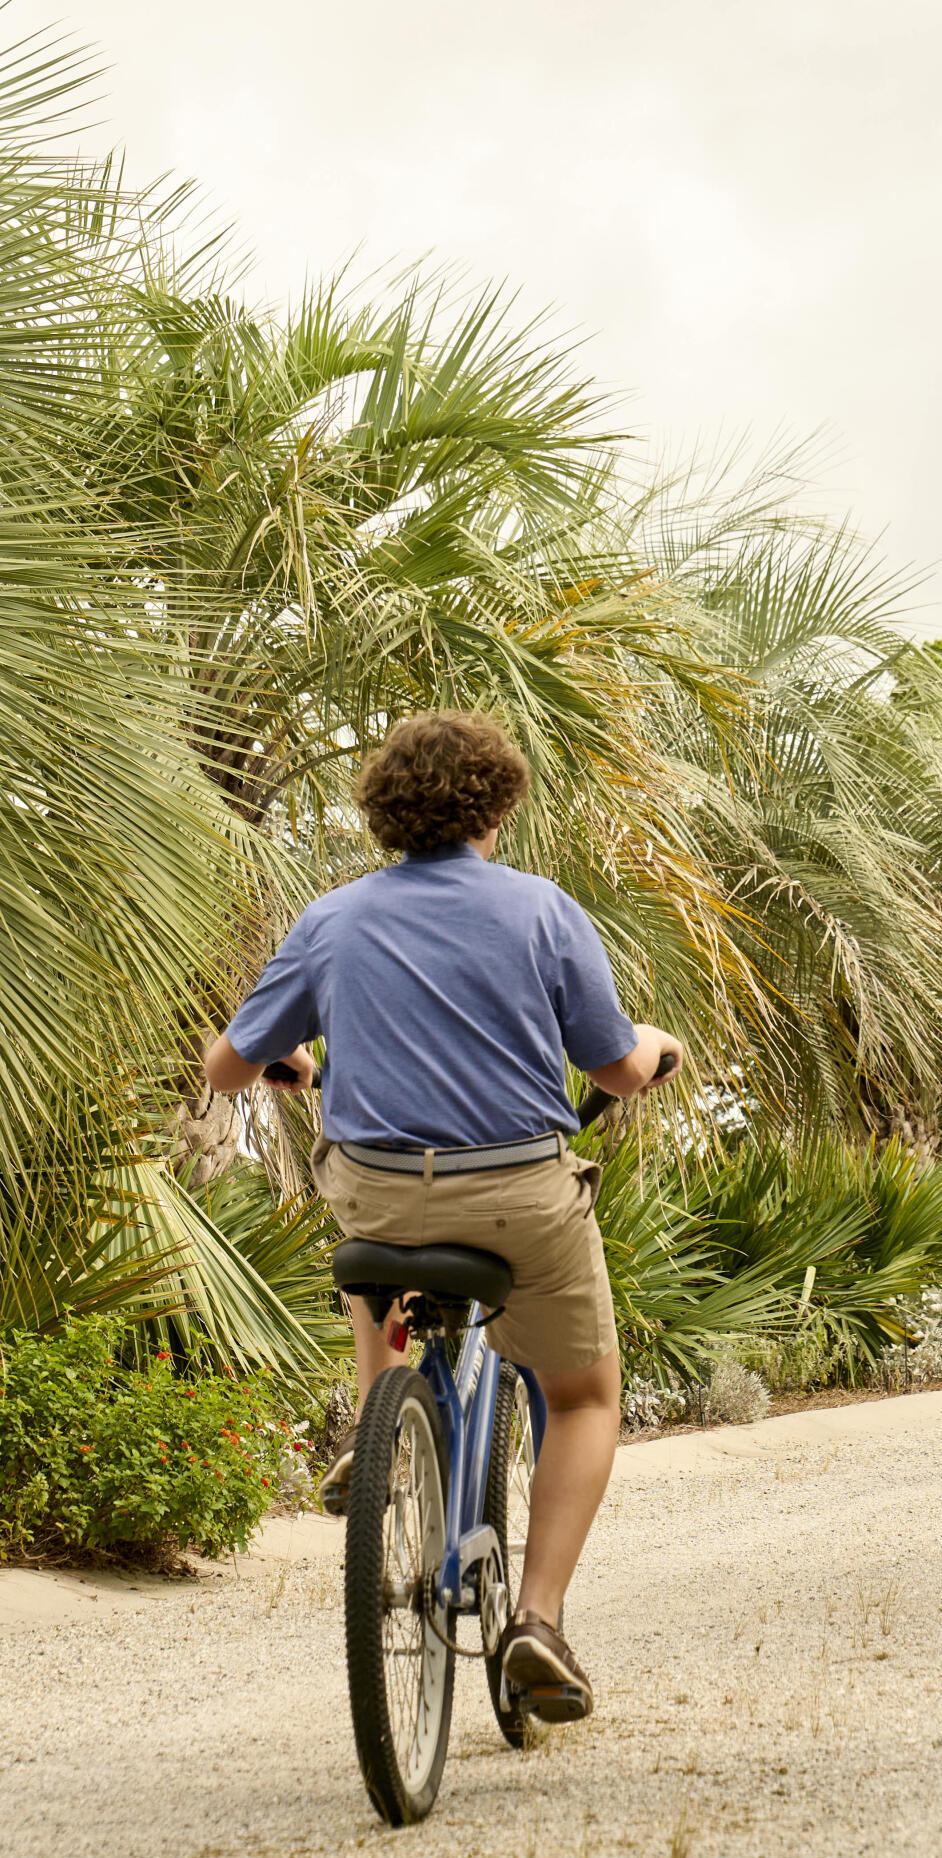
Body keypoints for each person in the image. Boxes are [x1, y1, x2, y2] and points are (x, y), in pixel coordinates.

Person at [200, 710, 682, 1723]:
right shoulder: (543, 912)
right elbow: (615, 1069)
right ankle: (538, 1620)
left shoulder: (331, 921)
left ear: (383, 814)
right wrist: (653, 1043)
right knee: (587, 1394)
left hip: (380, 1191)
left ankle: (379, 1425)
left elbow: (227, 1066)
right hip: (519, 1195)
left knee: (372, 1241)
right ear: (497, 807)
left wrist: (289, 1060)